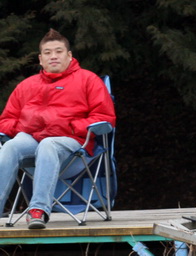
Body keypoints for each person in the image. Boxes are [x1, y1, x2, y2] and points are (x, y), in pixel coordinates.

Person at [0, 29, 116, 229]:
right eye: (47, 52)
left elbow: (105, 118)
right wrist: (22, 127)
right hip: (32, 142)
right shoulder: (26, 86)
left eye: (58, 51)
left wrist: (71, 126)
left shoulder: (88, 80)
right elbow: (5, 120)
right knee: (11, 146)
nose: (53, 56)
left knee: (48, 143)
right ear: (40, 59)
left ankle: (38, 210)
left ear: (69, 55)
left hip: (74, 149)